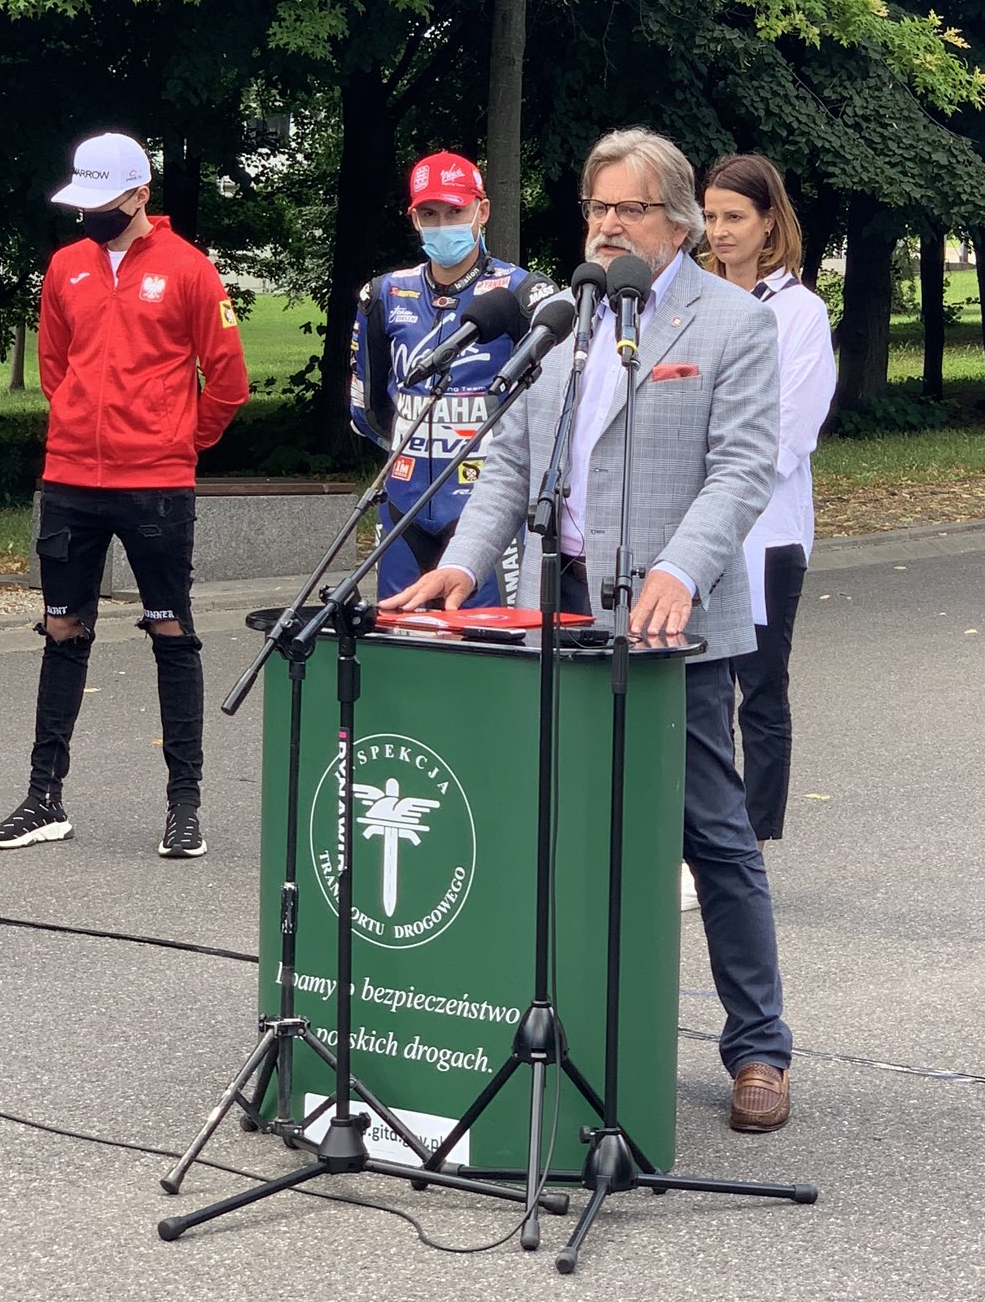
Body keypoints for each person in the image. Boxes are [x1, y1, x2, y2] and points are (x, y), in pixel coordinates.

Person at [382, 128, 796, 1132]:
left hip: (675, 623)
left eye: (629, 209)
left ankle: (760, 1047)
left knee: (713, 831)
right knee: (559, 825)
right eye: (597, 207)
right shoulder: (559, 322)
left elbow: (742, 472)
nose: (608, 224)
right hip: (555, 606)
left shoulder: (732, 322)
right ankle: (571, 1019)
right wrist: (461, 565)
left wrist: (676, 568)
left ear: (681, 222)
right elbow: (510, 469)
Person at [0, 133, 250, 859]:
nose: (87, 215)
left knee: (172, 634)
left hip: (156, 486)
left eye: (101, 201)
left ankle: (183, 809)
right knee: (62, 632)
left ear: (138, 195)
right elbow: (55, 368)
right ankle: (44, 800)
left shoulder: (191, 271)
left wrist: (176, 440)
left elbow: (226, 378)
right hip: (69, 480)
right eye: (82, 202)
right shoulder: (65, 268)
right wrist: (80, 427)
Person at [701, 154, 836, 850]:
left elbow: (790, 429)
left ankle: (752, 838)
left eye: (734, 217)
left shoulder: (800, 313)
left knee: (759, 685)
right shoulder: (692, 301)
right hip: (693, 524)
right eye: (711, 216)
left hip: (767, 530)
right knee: (701, 691)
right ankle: (704, 827)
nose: (720, 231)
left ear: (769, 223)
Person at [350, 152, 533, 605]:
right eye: (429, 213)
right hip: (402, 503)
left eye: (455, 211)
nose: (442, 223)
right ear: (413, 218)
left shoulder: (522, 293)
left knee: (489, 650)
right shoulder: (384, 294)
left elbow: (542, 409)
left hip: (488, 508)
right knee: (401, 642)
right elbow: (368, 407)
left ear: (482, 211)